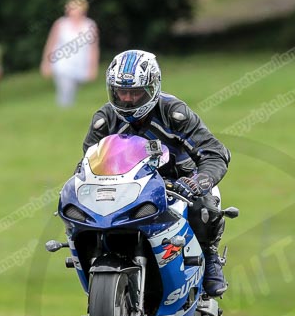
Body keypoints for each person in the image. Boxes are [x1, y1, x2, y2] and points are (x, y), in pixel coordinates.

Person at [80, 49, 231, 297]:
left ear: (153, 88)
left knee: (205, 207)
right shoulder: (104, 118)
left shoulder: (175, 114)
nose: (127, 99)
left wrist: (195, 183)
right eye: (121, 92)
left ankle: (209, 257)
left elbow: (215, 153)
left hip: (177, 185)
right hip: (126, 188)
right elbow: (88, 161)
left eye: (136, 92)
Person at [40, 0, 100, 107]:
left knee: (73, 89)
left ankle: (67, 110)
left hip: (81, 65)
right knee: (66, 89)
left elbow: (93, 49)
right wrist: (46, 64)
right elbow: (51, 44)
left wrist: (93, 68)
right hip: (62, 64)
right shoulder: (61, 24)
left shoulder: (90, 25)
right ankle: (63, 111)